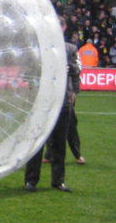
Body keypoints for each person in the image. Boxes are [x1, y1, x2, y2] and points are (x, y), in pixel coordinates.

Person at [24, 19, 81, 193]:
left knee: (59, 143)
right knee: (36, 142)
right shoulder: (37, 50)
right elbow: (28, 73)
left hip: (62, 102)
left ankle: (58, 181)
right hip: (41, 101)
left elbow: (77, 70)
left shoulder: (70, 49)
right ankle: (31, 180)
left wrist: (68, 69)